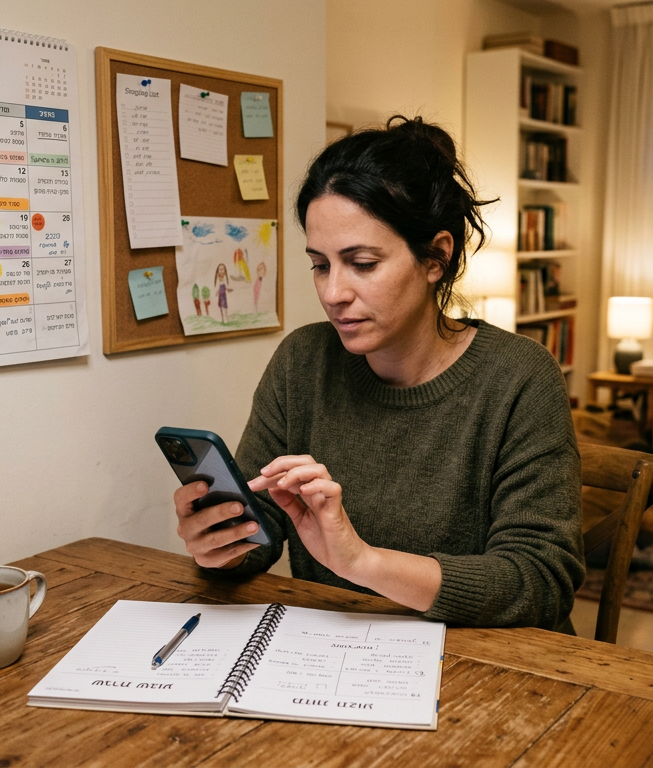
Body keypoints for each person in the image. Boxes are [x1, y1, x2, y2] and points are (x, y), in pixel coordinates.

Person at [172, 116, 585, 632]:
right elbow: (262, 525)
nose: (332, 293)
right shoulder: (303, 361)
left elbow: (541, 580)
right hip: (339, 658)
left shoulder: (519, 378)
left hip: (489, 666)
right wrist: (222, 543)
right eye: (320, 265)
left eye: (362, 263)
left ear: (436, 256)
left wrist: (361, 562)